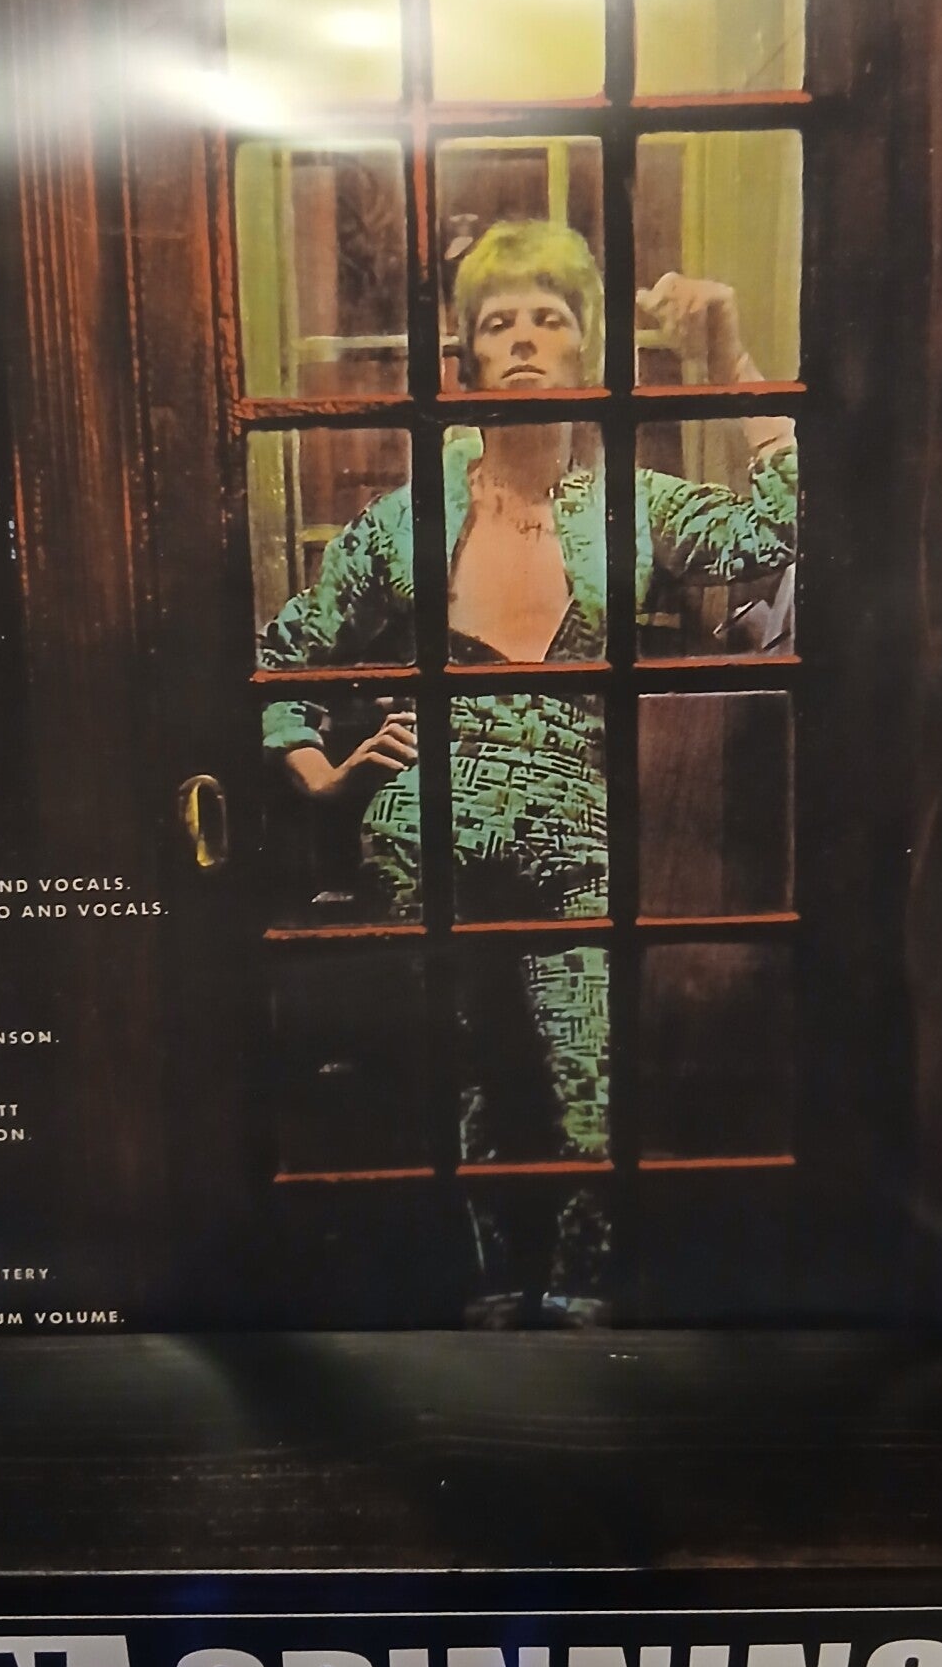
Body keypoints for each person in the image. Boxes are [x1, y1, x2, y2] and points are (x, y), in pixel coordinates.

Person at [259, 219, 797, 1324]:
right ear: (465, 358)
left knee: (592, 1078)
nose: (520, 339)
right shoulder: (412, 519)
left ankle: (582, 1302)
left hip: (580, 839)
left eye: (547, 318)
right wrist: (318, 774)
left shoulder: (632, 506)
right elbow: (282, 658)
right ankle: (486, 1296)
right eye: (496, 321)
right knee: (452, 1082)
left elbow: (785, 527)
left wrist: (730, 357)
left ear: (585, 348)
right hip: (424, 835)